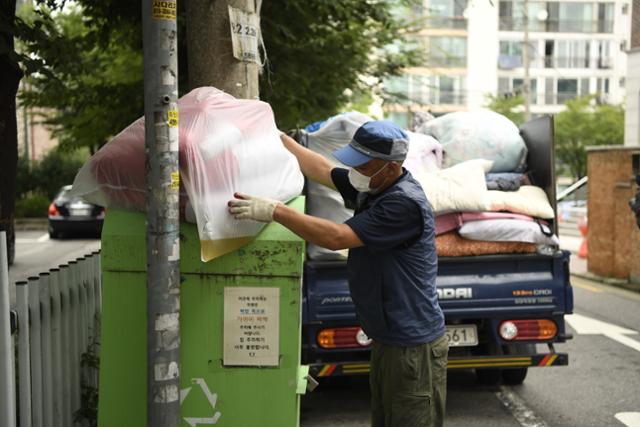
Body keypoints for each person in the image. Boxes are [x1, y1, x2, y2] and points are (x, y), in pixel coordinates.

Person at [228, 120, 448, 427]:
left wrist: (276, 211)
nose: (354, 170)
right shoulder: (375, 186)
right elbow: (320, 169)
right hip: (391, 337)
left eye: (362, 164)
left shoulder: (402, 204)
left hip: (412, 345)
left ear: (391, 167)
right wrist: (275, 135)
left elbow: (336, 237)